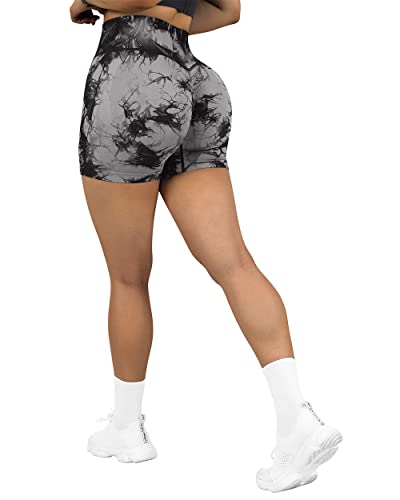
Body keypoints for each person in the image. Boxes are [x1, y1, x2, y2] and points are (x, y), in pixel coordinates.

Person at [70, 0, 342, 492]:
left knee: (128, 277)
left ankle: (128, 428)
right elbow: (228, 9)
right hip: (192, 81)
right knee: (234, 263)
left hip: (132, 76)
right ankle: (295, 417)